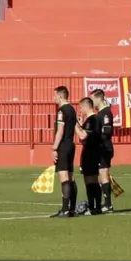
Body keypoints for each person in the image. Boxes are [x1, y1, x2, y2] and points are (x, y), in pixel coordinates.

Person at [49, 86, 78, 218]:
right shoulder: (72, 109)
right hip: (71, 144)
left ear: (61, 96)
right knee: (71, 177)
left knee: (64, 177)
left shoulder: (62, 110)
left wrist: (54, 148)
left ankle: (65, 210)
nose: (53, 98)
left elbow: (60, 130)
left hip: (64, 145)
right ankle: (72, 209)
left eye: (55, 95)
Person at [76, 97, 104, 216]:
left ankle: (92, 208)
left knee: (89, 181)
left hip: (90, 153)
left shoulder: (91, 119)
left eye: (81, 108)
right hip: (95, 152)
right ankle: (97, 207)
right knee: (94, 180)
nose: (81, 110)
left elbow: (83, 136)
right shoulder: (97, 118)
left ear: (86, 106)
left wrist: (74, 125)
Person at [91, 88, 116, 213]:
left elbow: (106, 131)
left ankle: (108, 205)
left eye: (93, 99)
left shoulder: (106, 113)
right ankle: (105, 203)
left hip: (104, 148)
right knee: (101, 176)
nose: (92, 102)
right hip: (99, 148)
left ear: (99, 99)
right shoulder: (99, 114)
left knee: (104, 174)